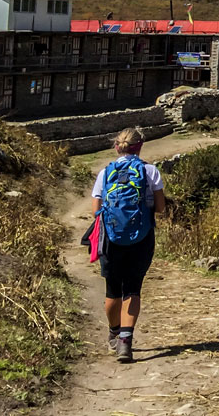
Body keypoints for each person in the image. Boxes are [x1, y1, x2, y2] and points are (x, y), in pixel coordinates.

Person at [91, 127, 166, 363]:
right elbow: (161, 208)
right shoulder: (150, 171)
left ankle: (114, 331)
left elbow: (95, 211)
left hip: (111, 238)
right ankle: (126, 341)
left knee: (113, 289)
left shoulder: (105, 173)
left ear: (116, 147)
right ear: (140, 146)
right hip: (142, 237)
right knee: (132, 288)